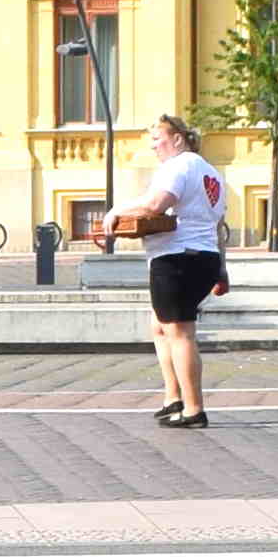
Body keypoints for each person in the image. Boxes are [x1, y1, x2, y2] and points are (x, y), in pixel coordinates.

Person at [96, 112, 228, 426]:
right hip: (203, 257)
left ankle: (194, 409)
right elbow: (220, 225)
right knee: (160, 326)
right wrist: (222, 270)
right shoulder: (211, 173)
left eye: (158, 139)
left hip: (177, 259)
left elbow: (156, 204)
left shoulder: (178, 166)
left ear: (178, 139)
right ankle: (173, 397)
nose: (154, 147)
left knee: (180, 333)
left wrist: (115, 213)